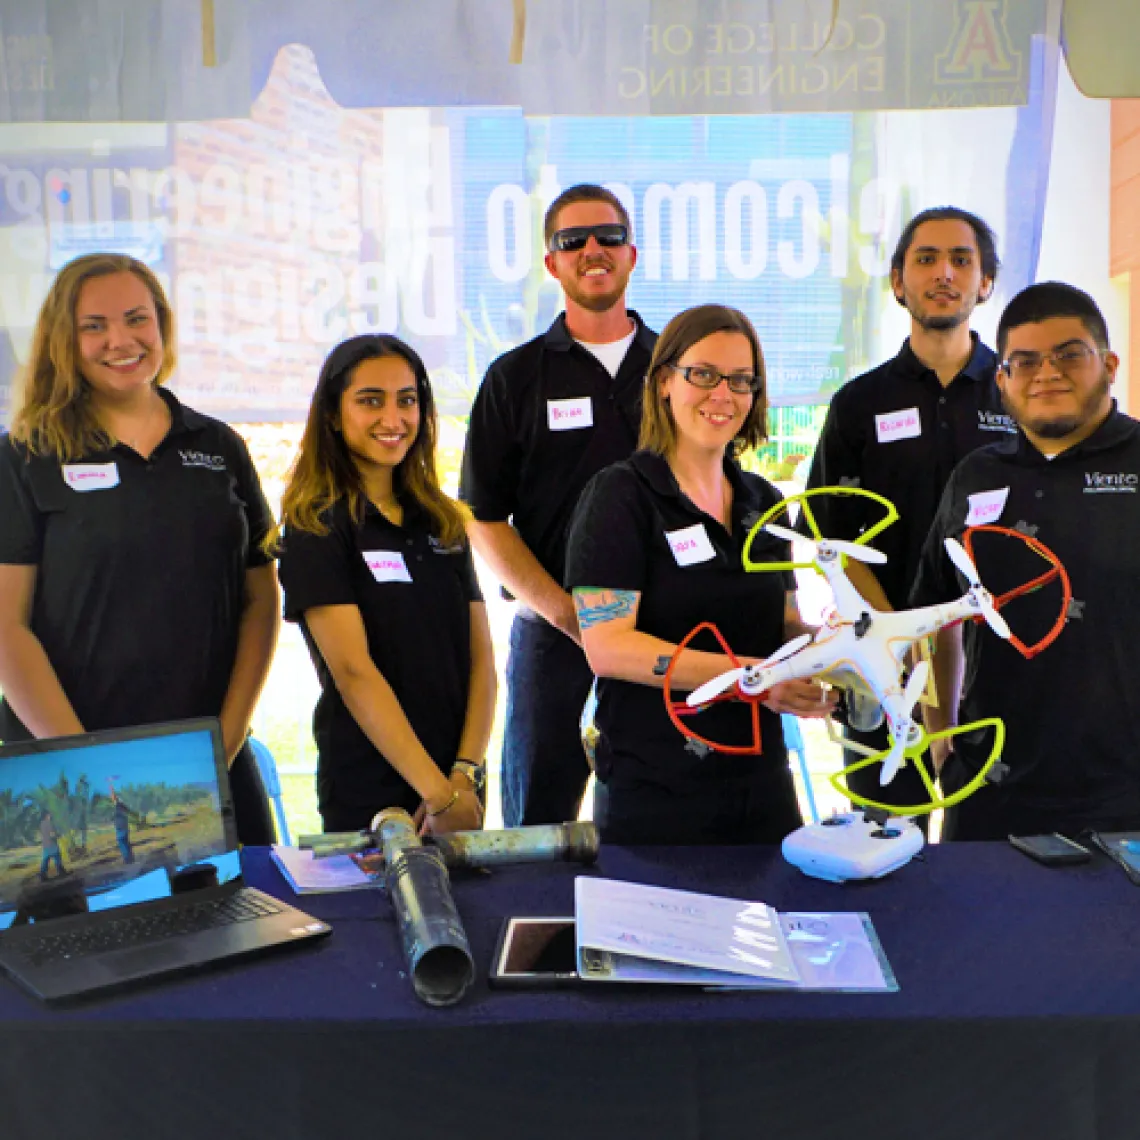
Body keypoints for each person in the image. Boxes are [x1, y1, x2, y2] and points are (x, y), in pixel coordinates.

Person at [0, 254, 278, 845]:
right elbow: (7, 630)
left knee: (248, 928)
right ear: (62, 340)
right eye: (93, 326)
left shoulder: (218, 446)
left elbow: (260, 599)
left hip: (211, 760)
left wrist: (225, 743)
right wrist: (86, 764)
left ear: (162, 325)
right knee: (88, 935)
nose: (120, 341)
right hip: (67, 773)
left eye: (136, 319)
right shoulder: (25, 455)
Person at [564, 304, 836, 845]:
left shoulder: (765, 501)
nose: (723, 395)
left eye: (741, 380)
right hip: (656, 793)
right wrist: (755, 681)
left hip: (761, 789)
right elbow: (609, 648)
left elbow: (782, 628)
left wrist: (838, 647)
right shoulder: (621, 496)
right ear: (664, 381)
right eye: (704, 375)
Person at [799, 206, 1012, 816]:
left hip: (999, 660)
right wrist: (893, 635)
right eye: (926, 259)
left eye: (961, 260)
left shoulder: (1016, 392)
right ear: (898, 282)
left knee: (993, 846)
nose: (943, 273)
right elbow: (828, 535)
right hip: (881, 659)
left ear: (985, 283)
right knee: (885, 839)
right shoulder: (860, 402)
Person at [460, 184, 658, 828]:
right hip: (553, 634)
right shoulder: (514, 378)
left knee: (655, 814)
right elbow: (483, 517)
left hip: (663, 633)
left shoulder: (679, 367)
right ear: (553, 264)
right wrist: (566, 613)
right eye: (573, 241)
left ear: (632, 254)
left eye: (607, 237)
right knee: (535, 824)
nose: (592, 250)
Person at [912, 281, 1140, 839]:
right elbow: (932, 616)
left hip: (1124, 800)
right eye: (1026, 361)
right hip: (988, 791)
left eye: (1069, 355)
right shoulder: (976, 476)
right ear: (1003, 380)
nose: (1047, 373)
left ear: (1108, 364)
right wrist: (942, 739)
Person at [277, 334, 495, 835]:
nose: (393, 419)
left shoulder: (442, 519)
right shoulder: (316, 525)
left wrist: (463, 776)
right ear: (333, 414)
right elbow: (354, 673)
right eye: (370, 401)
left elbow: (482, 660)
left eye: (407, 400)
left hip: (459, 785)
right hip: (372, 791)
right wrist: (435, 795)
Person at [39, 810, 65, 880]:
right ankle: (61, 872)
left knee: (45, 860)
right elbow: (52, 834)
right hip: (52, 843)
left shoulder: (42, 823)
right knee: (57, 857)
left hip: (45, 844)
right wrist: (58, 835)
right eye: (49, 814)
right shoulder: (49, 823)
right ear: (47, 815)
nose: (50, 816)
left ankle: (42, 875)